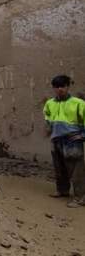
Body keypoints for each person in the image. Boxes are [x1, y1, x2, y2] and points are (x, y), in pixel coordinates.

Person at [44, 75, 85, 208]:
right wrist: (50, 129)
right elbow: (47, 116)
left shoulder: (78, 103)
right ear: (53, 88)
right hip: (57, 140)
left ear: (68, 86)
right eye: (57, 87)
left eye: (63, 86)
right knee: (59, 168)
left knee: (76, 170)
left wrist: (82, 135)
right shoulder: (50, 103)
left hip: (72, 140)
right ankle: (62, 191)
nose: (60, 89)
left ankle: (80, 197)